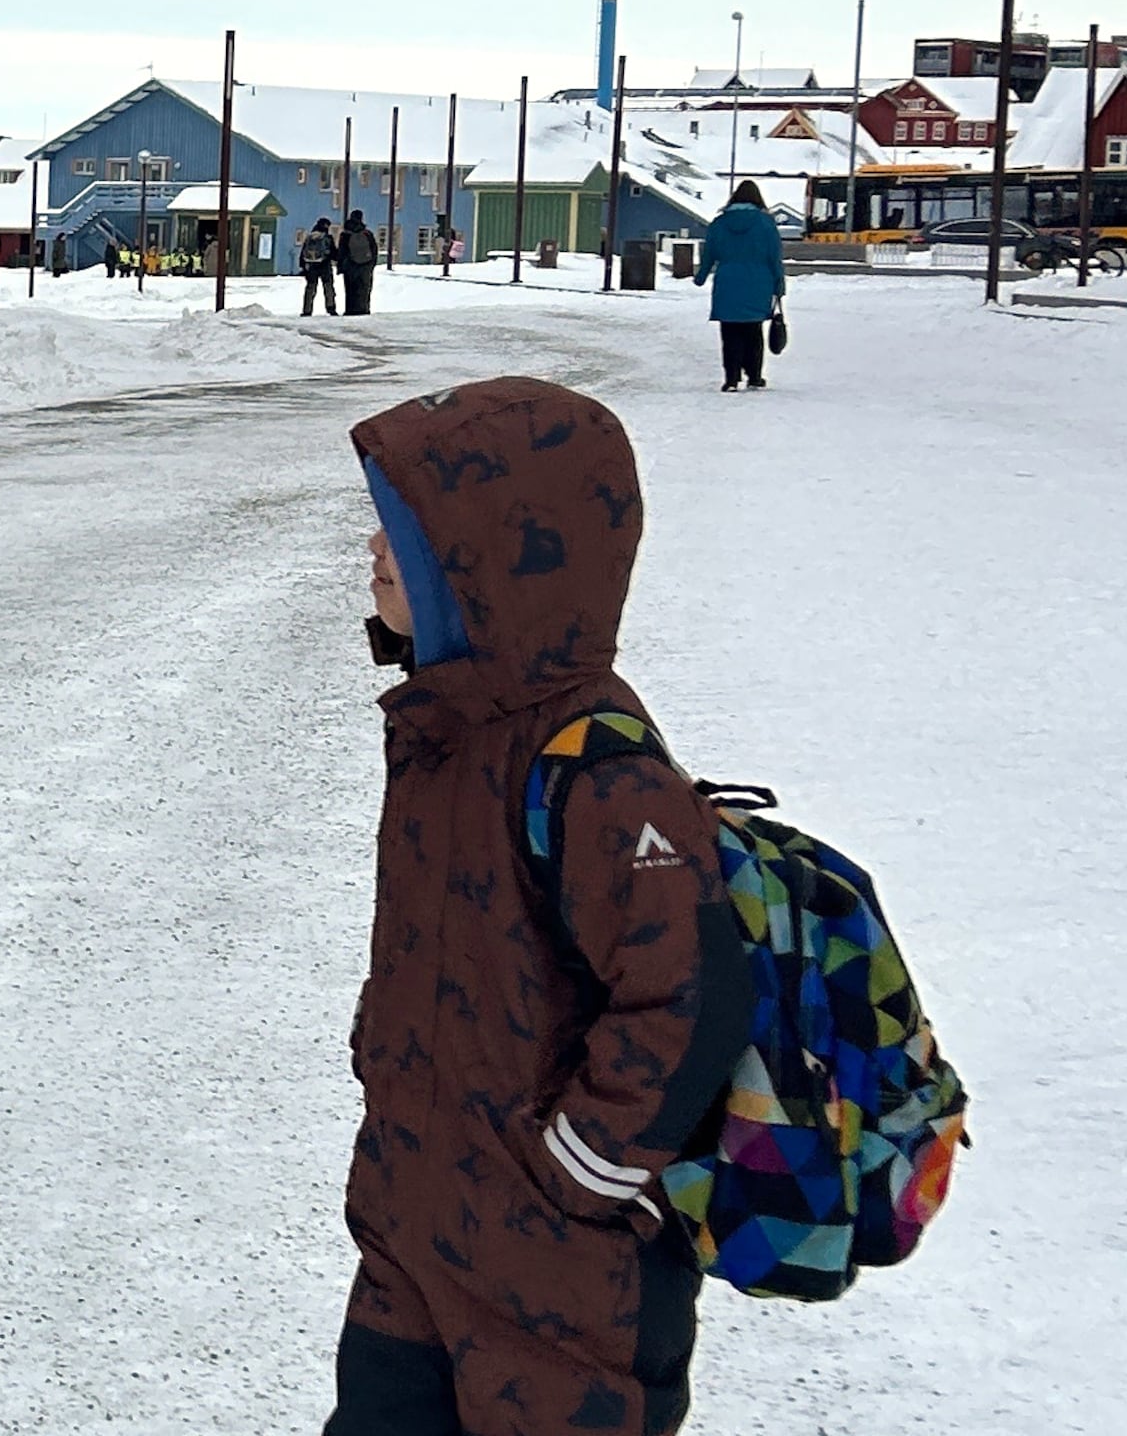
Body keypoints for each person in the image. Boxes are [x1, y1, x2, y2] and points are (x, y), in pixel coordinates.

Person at [330, 377, 734, 1436]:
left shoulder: (595, 768)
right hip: (414, 1234)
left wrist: (579, 1170)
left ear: (492, 565)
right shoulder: (448, 727)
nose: (373, 549)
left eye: (404, 534)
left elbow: (690, 990)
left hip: (561, 1281)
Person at [689, 178, 787, 390]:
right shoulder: (765, 224)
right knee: (753, 332)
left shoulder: (720, 223)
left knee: (730, 332)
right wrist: (779, 285)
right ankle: (754, 376)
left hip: (727, 282)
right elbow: (774, 257)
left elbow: (709, 254)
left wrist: (701, 276)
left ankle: (731, 379)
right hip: (758, 282)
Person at [335, 210, 381, 315]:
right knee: (364, 288)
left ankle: (350, 310)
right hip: (365, 265)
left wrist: (341, 266)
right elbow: (374, 249)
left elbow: (342, 251)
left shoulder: (345, 234)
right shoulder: (367, 233)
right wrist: (371, 264)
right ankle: (364, 309)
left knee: (350, 289)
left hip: (350, 265)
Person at [298, 217, 339, 315]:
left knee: (310, 288)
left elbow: (303, 253)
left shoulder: (309, 237)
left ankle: (307, 310)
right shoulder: (327, 237)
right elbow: (333, 254)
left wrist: (303, 266)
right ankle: (330, 307)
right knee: (328, 286)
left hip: (311, 265)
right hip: (325, 265)